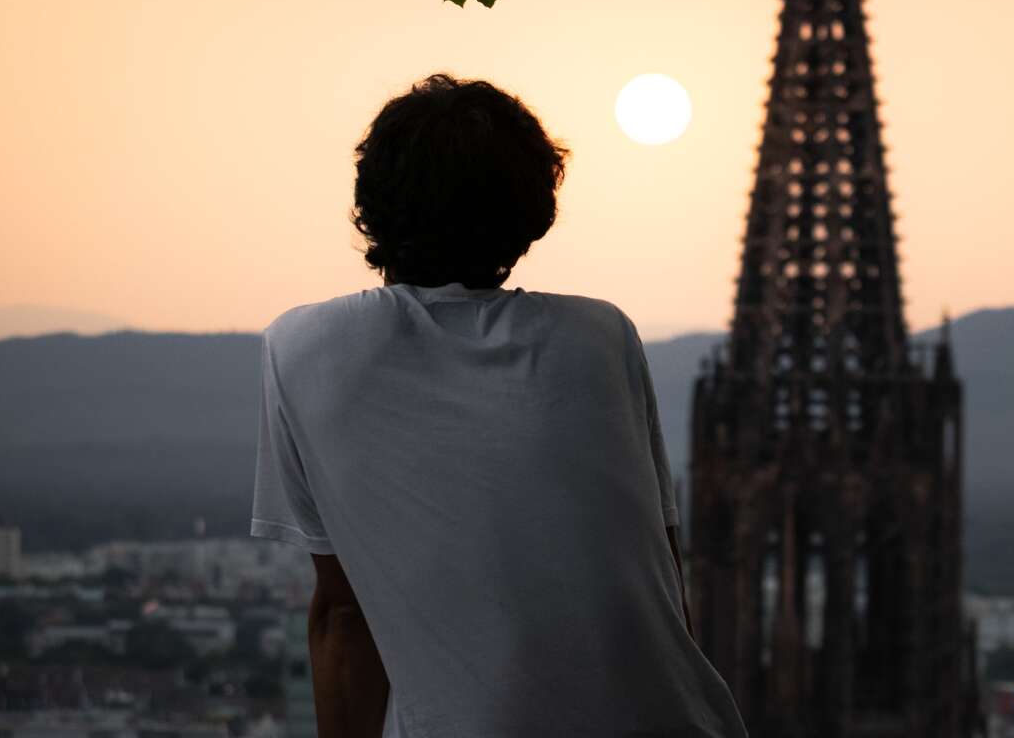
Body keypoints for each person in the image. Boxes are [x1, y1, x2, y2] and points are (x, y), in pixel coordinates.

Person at [251, 73, 750, 738]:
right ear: (530, 213)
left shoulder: (305, 348)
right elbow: (659, 581)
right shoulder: (599, 339)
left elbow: (343, 617)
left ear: (372, 202)